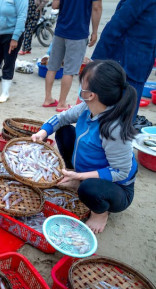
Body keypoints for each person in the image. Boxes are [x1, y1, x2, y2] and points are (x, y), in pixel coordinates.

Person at [32, 60, 137, 234]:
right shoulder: (86, 108)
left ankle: (100, 213)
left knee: (88, 189)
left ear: (91, 95)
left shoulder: (114, 129)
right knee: (64, 131)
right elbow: (62, 118)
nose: (81, 89)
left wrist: (81, 177)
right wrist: (43, 132)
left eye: (83, 85)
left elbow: (121, 172)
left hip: (117, 188)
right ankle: (77, 178)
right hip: (88, 169)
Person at [91, 0, 156, 123]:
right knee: (116, 118)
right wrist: (97, 62)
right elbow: (116, 26)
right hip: (126, 66)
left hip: (139, 66)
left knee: (126, 118)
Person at [42, 0, 102, 112]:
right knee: (69, 70)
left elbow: (55, 5)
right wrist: (95, 32)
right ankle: (61, 103)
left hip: (60, 30)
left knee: (52, 66)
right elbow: (96, 7)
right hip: (77, 33)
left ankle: (47, 99)